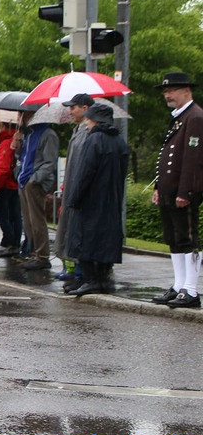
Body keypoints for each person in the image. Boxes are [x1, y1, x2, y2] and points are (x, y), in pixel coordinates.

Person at [63, 103, 129, 295]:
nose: (86, 123)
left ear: (93, 119)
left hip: (91, 199)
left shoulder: (94, 140)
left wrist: (74, 198)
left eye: (88, 119)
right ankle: (102, 280)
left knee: (85, 239)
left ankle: (90, 279)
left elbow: (85, 172)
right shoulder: (118, 141)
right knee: (105, 240)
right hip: (111, 198)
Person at [150, 72, 203, 308]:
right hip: (170, 190)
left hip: (184, 191)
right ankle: (179, 285)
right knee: (173, 239)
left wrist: (185, 191)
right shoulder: (180, 117)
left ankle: (191, 290)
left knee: (188, 239)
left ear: (186, 91)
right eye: (165, 91)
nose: (167, 95)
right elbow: (168, 159)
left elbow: (193, 160)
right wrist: (160, 187)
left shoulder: (195, 117)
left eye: (171, 90)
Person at [53, 94, 94, 289]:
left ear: (85, 108)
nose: (70, 111)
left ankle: (80, 272)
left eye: (74, 107)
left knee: (77, 232)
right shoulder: (79, 130)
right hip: (71, 188)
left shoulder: (89, 131)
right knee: (69, 230)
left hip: (80, 191)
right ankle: (72, 268)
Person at [16, 109, 59, 270]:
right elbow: (24, 158)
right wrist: (18, 147)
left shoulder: (48, 134)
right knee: (28, 222)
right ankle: (34, 253)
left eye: (24, 115)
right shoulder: (29, 134)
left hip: (34, 182)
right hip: (24, 180)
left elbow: (49, 162)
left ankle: (42, 255)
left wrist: (35, 180)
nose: (21, 119)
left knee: (37, 220)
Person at [0, 121, 23, 258]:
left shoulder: (6, 143)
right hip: (13, 184)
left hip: (4, 185)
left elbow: (3, 169)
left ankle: (10, 241)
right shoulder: (14, 140)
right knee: (14, 215)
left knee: (1, 214)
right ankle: (13, 242)